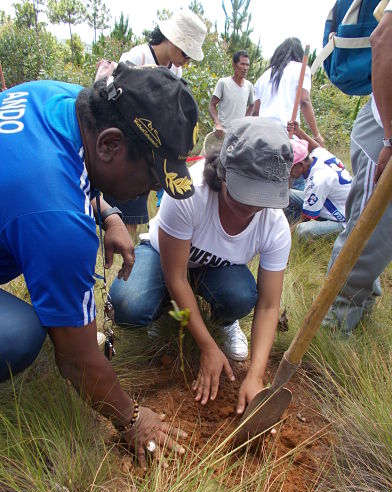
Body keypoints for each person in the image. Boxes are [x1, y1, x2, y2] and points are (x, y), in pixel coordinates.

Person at [0, 62, 199, 466]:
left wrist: (107, 214)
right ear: (109, 145)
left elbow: (70, 168)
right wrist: (131, 417)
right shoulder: (60, 225)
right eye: (150, 180)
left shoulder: (60, 98)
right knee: (18, 335)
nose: (149, 195)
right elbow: (75, 360)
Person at [109, 117, 292, 415]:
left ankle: (223, 323)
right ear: (223, 171)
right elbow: (176, 275)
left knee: (242, 296)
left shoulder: (275, 225)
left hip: (215, 271)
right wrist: (207, 347)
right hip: (164, 258)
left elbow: (270, 305)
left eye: (261, 199)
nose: (250, 209)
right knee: (127, 305)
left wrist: (256, 376)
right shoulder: (187, 193)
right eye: (242, 193)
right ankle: (166, 313)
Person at [323, 1, 392, 333]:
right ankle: (332, 327)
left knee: (375, 231)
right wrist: (390, 140)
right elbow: (385, 37)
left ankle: (361, 304)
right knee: (366, 232)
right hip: (390, 127)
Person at [104, 9, 207, 235]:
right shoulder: (137, 57)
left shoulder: (176, 71)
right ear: (172, 38)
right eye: (185, 52)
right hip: (125, 148)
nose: (186, 60)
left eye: (190, 56)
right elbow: (113, 102)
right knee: (120, 214)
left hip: (148, 153)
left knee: (135, 213)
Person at [286, 121, 353, 239]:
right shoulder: (319, 154)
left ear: (300, 164)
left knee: (302, 230)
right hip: (329, 202)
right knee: (288, 194)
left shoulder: (317, 180)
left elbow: (305, 217)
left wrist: (285, 236)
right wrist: (298, 131)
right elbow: (315, 146)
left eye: (289, 168)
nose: (288, 172)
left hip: (344, 220)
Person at [253, 38, 324, 148]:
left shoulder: (263, 76)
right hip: (284, 135)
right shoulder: (302, 69)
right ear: (299, 53)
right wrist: (316, 135)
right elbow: (304, 101)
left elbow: (256, 112)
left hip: (262, 135)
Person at [208, 50, 255, 140]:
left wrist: (245, 121)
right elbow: (212, 105)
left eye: (247, 65)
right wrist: (217, 123)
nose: (245, 68)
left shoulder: (249, 86)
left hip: (239, 135)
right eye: (242, 64)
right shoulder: (223, 83)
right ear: (234, 65)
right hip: (222, 134)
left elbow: (252, 105)